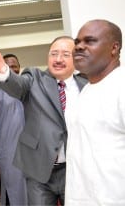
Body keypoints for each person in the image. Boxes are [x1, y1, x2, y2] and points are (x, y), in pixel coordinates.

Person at [0, 36, 87, 205]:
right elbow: (17, 86)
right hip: (38, 170)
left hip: (76, 170)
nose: (58, 59)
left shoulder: (87, 84)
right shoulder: (34, 78)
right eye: (53, 53)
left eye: (65, 54)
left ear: (76, 57)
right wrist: (2, 70)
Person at [65, 19, 125, 205]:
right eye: (77, 42)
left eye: (90, 41)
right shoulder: (88, 90)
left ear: (114, 48)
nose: (79, 47)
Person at [0, 54, 28, 205]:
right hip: (9, 150)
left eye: (15, 65)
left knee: (33, 191)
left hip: (33, 149)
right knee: (12, 190)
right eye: (8, 66)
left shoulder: (30, 87)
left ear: (19, 68)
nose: (12, 69)